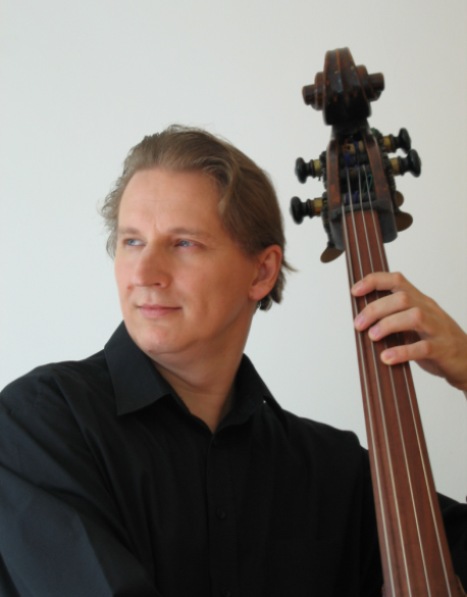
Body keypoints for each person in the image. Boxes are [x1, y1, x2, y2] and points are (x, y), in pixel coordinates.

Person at [0, 125, 466, 596]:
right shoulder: (39, 423)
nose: (144, 273)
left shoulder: (330, 474)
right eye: (132, 241)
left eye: (184, 243)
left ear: (262, 272)